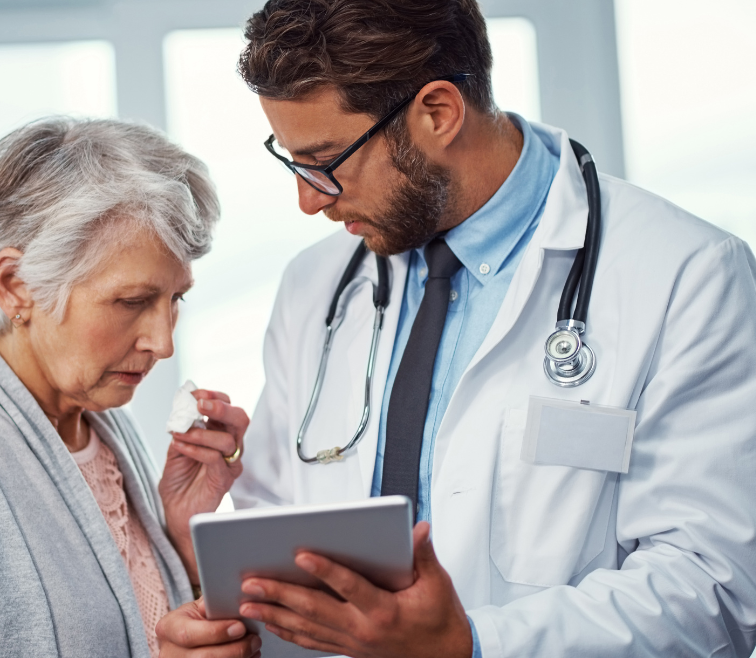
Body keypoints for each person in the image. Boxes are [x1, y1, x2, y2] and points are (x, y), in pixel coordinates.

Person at [157, 0, 756, 656]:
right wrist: (222, 602)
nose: (310, 200)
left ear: (437, 112)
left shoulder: (686, 276)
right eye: (293, 162)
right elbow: (288, 535)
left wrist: (470, 645)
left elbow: (715, 586)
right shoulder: (317, 286)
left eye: (327, 161)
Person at [0, 117, 259, 658]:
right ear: (16, 286)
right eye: (131, 301)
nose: (163, 341)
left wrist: (178, 544)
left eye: (175, 299)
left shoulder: (105, 429)